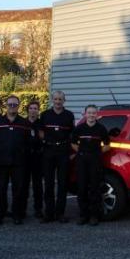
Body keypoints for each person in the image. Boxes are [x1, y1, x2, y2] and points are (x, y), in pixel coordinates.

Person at [0, 95, 30, 225]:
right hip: (1, 163)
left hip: (19, 163)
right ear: (6, 106)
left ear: (18, 106)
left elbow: (29, 142)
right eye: (10, 104)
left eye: (15, 104)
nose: (12, 106)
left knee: (18, 190)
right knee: (1, 190)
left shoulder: (24, 123)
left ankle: (17, 215)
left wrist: (24, 155)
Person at [39, 91, 75, 223]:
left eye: (60, 99)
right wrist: (47, 141)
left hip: (63, 152)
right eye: (56, 99)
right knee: (48, 183)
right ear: (52, 100)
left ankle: (60, 213)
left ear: (64, 100)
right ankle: (48, 213)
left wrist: (71, 152)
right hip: (48, 151)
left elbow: (73, 135)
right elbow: (41, 131)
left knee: (62, 183)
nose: (58, 102)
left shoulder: (69, 115)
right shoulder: (45, 115)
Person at [71, 104, 110, 226]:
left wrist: (97, 153)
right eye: (89, 112)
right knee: (81, 188)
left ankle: (94, 216)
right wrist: (82, 152)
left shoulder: (101, 129)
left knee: (95, 188)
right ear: (85, 114)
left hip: (95, 161)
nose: (91, 115)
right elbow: (73, 143)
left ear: (97, 115)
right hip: (82, 160)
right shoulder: (79, 128)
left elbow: (107, 145)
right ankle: (83, 215)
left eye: (94, 113)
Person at [24, 101, 44, 219]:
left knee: (38, 186)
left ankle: (38, 209)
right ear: (28, 110)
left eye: (35, 108)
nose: (33, 110)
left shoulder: (41, 124)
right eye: (31, 108)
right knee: (23, 185)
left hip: (38, 158)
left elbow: (43, 139)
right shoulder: (23, 123)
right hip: (25, 158)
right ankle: (22, 209)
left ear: (38, 110)